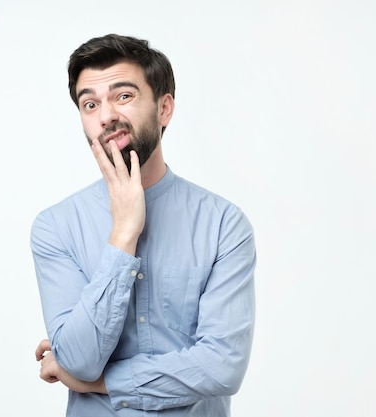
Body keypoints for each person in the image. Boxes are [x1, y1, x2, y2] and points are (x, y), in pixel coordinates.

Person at [31, 33, 256, 416]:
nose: (106, 116)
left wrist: (99, 383)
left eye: (123, 96)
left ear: (164, 109)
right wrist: (123, 235)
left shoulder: (223, 225)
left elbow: (223, 368)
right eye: (90, 104)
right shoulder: (56, 227)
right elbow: (79, 359)